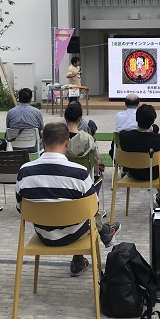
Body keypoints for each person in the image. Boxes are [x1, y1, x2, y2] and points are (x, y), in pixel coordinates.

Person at [15, 122, 99, 276]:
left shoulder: (24, 172)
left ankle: (80, 260)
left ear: (42, 142)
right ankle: (80, 259)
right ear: (67, 143)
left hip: (43, 233)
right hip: (75, 234)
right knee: (90, 216)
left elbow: (20, 208)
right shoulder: (80, 173)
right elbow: (94, 209)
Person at [64, 103, 121, 247]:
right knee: (97, 176)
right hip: (84, 182)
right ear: (80, 119)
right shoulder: (88, 139)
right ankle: (104, 230)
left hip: (62, 185)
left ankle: (104, 232)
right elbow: (96, 161)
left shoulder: (58, 139)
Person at [119, 104, 160, 192]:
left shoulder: (124, 136)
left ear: (136, 119)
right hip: (154, 174)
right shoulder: (158, 139)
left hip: (133, 172)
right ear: (153, 121)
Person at [6, 87, 44, 152]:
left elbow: (8, 128)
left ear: (18, 98)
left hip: (16, 146)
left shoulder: (10, 112)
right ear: (30, 99)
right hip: (34, 147)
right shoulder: (37, 112)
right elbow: (41, 128)